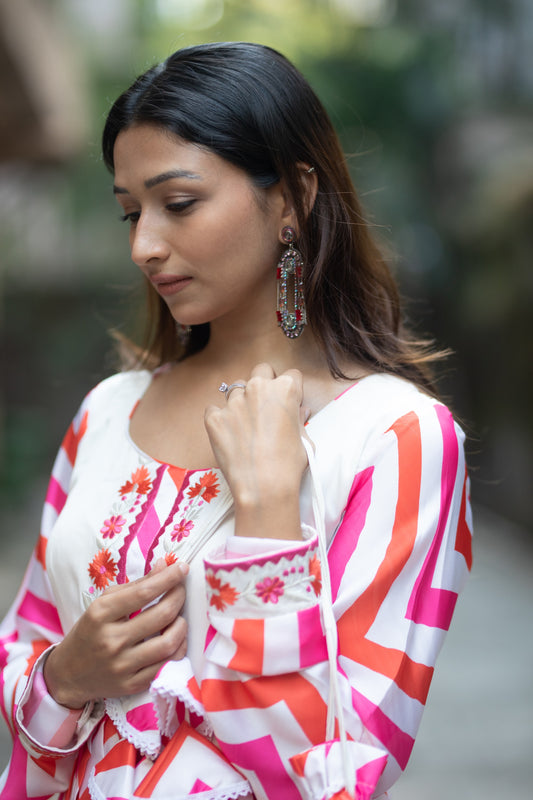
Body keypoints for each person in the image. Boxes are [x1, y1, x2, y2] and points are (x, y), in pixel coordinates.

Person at [0, 42, 472, 800]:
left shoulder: (396, 437)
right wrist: (65, 677)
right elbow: (25, 640)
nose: (143, 246)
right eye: (130, 212)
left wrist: (267, 522)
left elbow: (343, 766)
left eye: (179, 203)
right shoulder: (107, 411)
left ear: (292, 197)